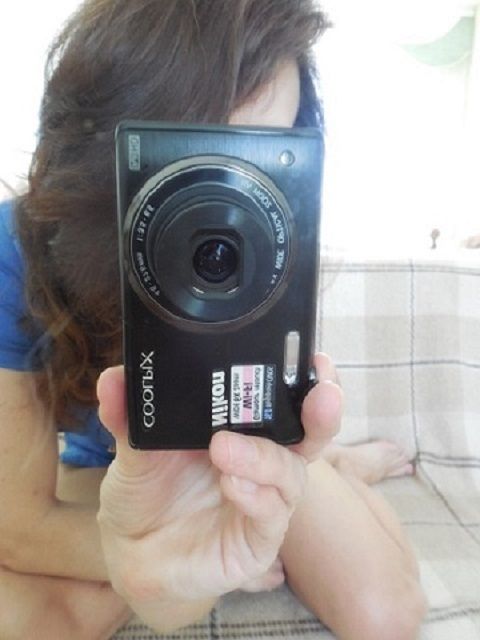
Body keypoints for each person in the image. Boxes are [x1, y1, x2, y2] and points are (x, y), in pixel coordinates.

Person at [0, 1, 427, 638]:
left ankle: (338, 465)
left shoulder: (271, 238)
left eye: (263, 152)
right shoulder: (16, 249)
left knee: (384, 617)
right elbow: (18, 529)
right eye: (200, 149)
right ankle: (331, 470)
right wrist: (199, 566)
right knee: (45, 622)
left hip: (248, 430)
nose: (230, 198)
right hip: (111, 464)